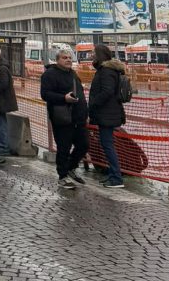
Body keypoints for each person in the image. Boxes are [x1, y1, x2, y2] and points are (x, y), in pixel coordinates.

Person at [40, 48, 88, 189]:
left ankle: (70, 168)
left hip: (78, 117)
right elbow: (45, 94)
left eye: (69, 57)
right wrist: (63, 98)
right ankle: (62, 176)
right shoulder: (49, 74)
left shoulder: (73, 74)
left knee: (84, 145)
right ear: (57, 60)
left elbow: (81, 95)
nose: (68, 60)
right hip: (62, 117)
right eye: (64, 57)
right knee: (64, 147)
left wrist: (85, 113)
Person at [88, 43, 127, 189]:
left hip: (106, 114)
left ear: (99, 55)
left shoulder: (106, 71)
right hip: (108, 113)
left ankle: (116, 177)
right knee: (107, 144)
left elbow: (107, 91)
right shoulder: (107, 70)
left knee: (108, 145)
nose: (91, 55)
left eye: (93, 53)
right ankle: (113, 175)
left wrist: (93, 103)